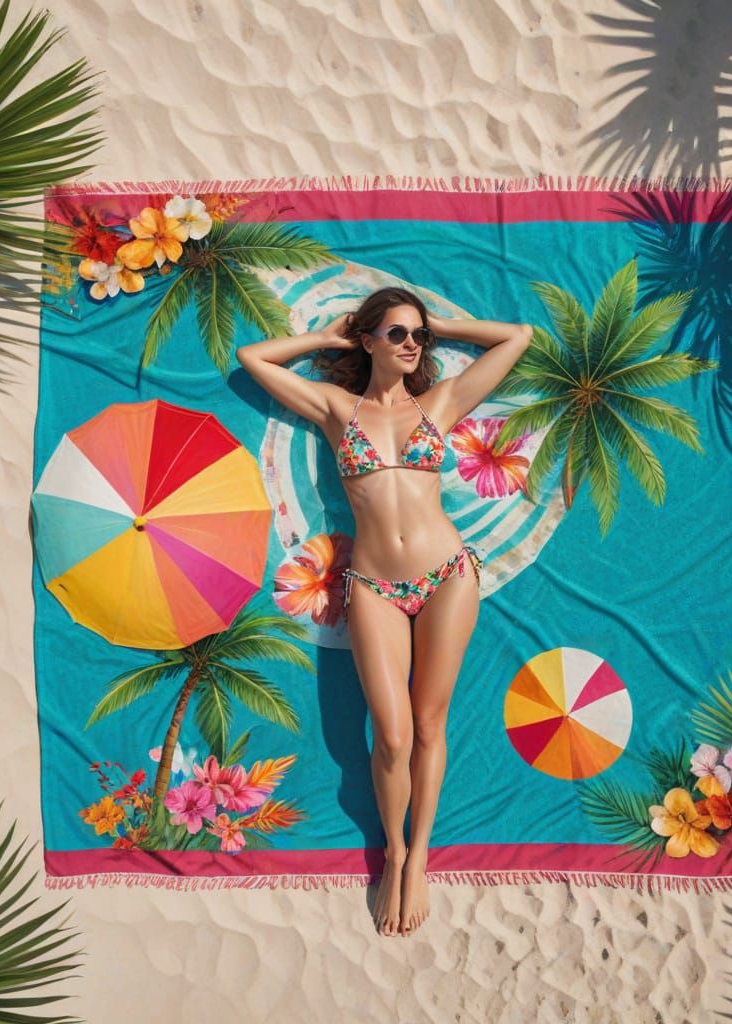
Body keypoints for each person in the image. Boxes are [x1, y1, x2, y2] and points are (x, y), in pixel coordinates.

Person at [236, 287, 531, 937]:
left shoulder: (440, 403)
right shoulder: (337, 408)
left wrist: (441, 323)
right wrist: (327, 337)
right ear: (368, 340)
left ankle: (416, 855)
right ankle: (391, 851)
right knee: (391, 735)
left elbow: (518, 338)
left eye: (418, 337)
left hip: (447, 574)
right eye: (397, 333)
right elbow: (252, 358)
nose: (411, 345)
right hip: (373, 585)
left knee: (428, 724)